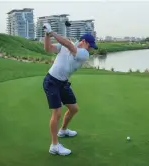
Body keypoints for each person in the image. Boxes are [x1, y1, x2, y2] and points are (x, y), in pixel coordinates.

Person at [42, 23, 98, 156]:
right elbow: (48, 48)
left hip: (63, 83)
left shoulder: (84, 54)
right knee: (57, 113)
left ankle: (63, 130)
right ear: (83, 41)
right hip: (51, 81)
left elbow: (69, 45)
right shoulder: (68, 45)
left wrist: (52, 33)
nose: (90, 49)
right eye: (89, 45)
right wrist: (47, 35)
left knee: (74, 109)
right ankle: (54, 146)